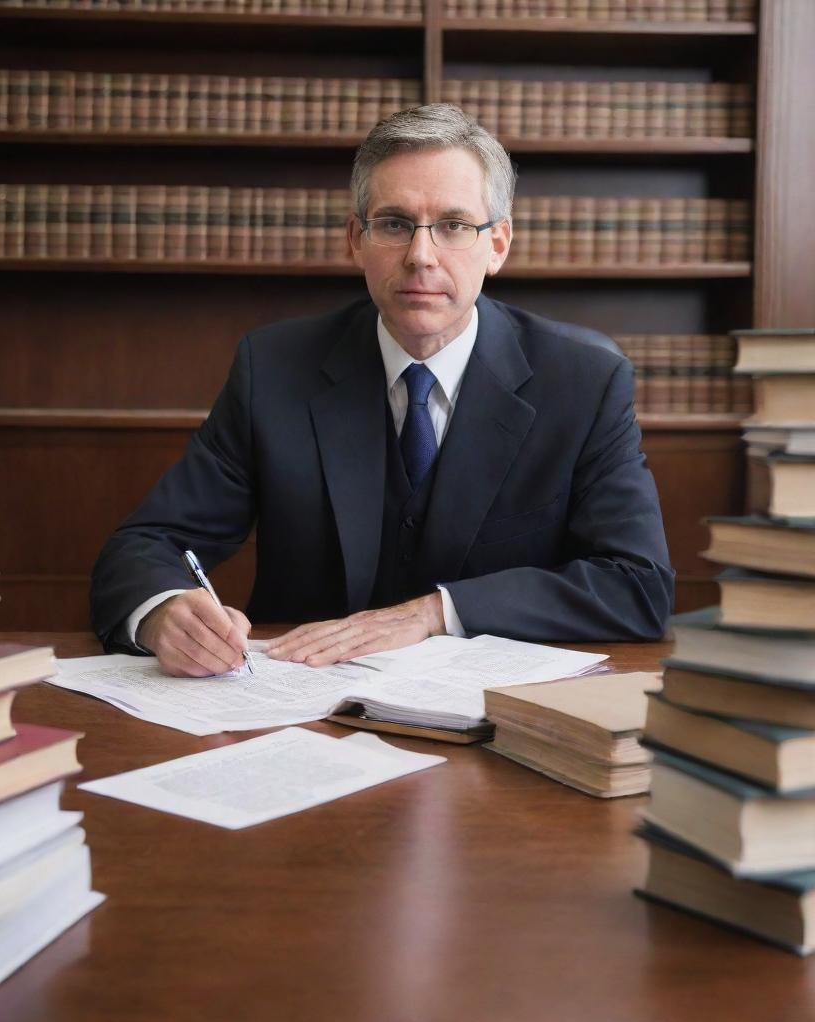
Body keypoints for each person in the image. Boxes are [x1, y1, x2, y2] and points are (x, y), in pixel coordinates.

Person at [91, 104, 674, 677]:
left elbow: (637, 585)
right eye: (394, 224)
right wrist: (162, 612)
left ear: (497, 245)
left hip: (496, 720)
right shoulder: (273, 369)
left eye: (453, 225)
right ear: (356, 240)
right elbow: (147, 544)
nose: (421, 256)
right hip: (295, 711)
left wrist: (436, 612)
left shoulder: (583, 381)